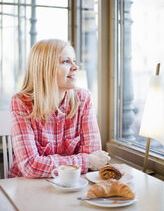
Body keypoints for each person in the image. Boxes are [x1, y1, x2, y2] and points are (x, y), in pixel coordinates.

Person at [9, 39, 110, 178]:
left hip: (70, 186)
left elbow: (94, 154)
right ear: (44, 69)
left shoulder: (84, 99)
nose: (75, 67)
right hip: (25, 188)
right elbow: (30, 166)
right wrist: (87, 161)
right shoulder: (21, 102)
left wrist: (88, 161)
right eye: (66, 62)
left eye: (74, 60)